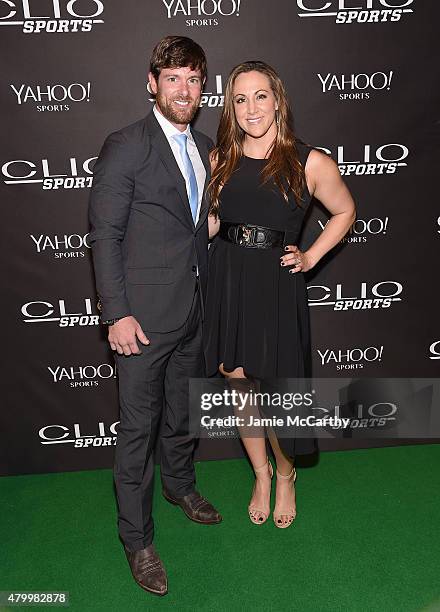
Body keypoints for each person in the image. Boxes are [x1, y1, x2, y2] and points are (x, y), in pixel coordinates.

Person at [88, 36, 221, 597]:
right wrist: (116, 314)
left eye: (193, 79)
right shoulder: (127, 144)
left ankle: (181, 485)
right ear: (152, 83)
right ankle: (138, 540)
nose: (184, 89)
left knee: (184, 412)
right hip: (141, 319)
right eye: (173, 78)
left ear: (202, 86)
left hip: (192, 310)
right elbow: (106, 235)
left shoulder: (206, 145)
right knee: (138, 432)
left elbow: (196, 224)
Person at [205, 61, 356, 528]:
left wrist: (310, 257)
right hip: (227, 276)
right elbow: (211, 223)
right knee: (237, 379)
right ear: (231, 107)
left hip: (274, 283)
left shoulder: (309, 161)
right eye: (240, 99)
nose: (252, 107)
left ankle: (287, 473)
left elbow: (345, 210)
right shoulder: (220, 158)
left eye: (261, 96)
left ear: (278, 100)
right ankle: (261, 474)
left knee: (276, 390)